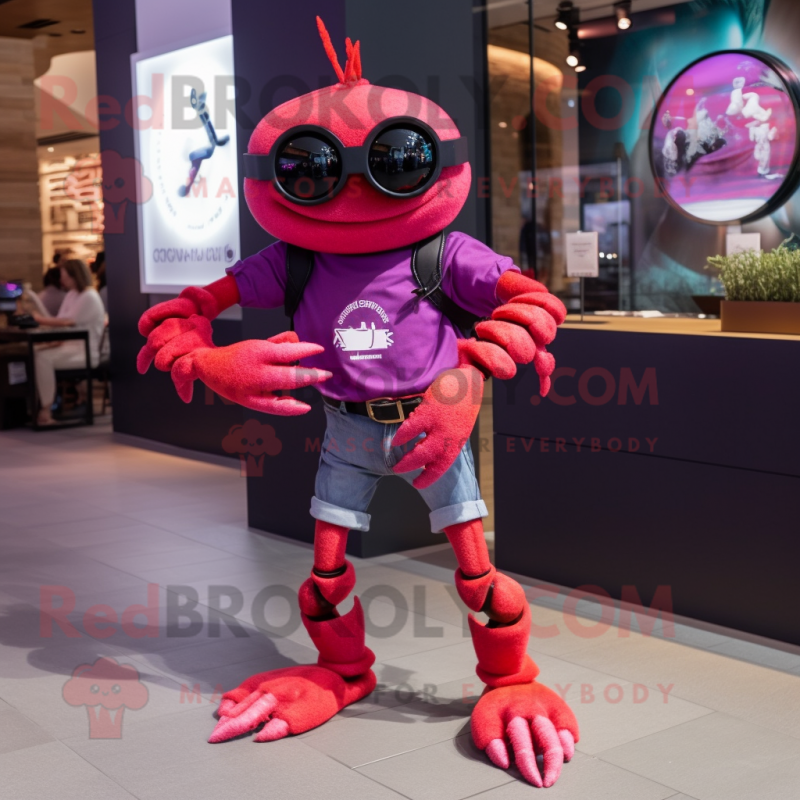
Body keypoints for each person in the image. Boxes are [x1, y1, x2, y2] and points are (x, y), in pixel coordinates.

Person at [31, 259, 105, 426]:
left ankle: (46, 408)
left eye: (64, 276)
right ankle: (39, 406)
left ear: (75, 276)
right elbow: (61, 321)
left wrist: (38, 319)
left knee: (42, 358)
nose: (61, 280)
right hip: (69, 346)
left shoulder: (89, 296)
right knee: (35, 352)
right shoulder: (72, 294)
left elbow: (67, 322)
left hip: (84, 351)